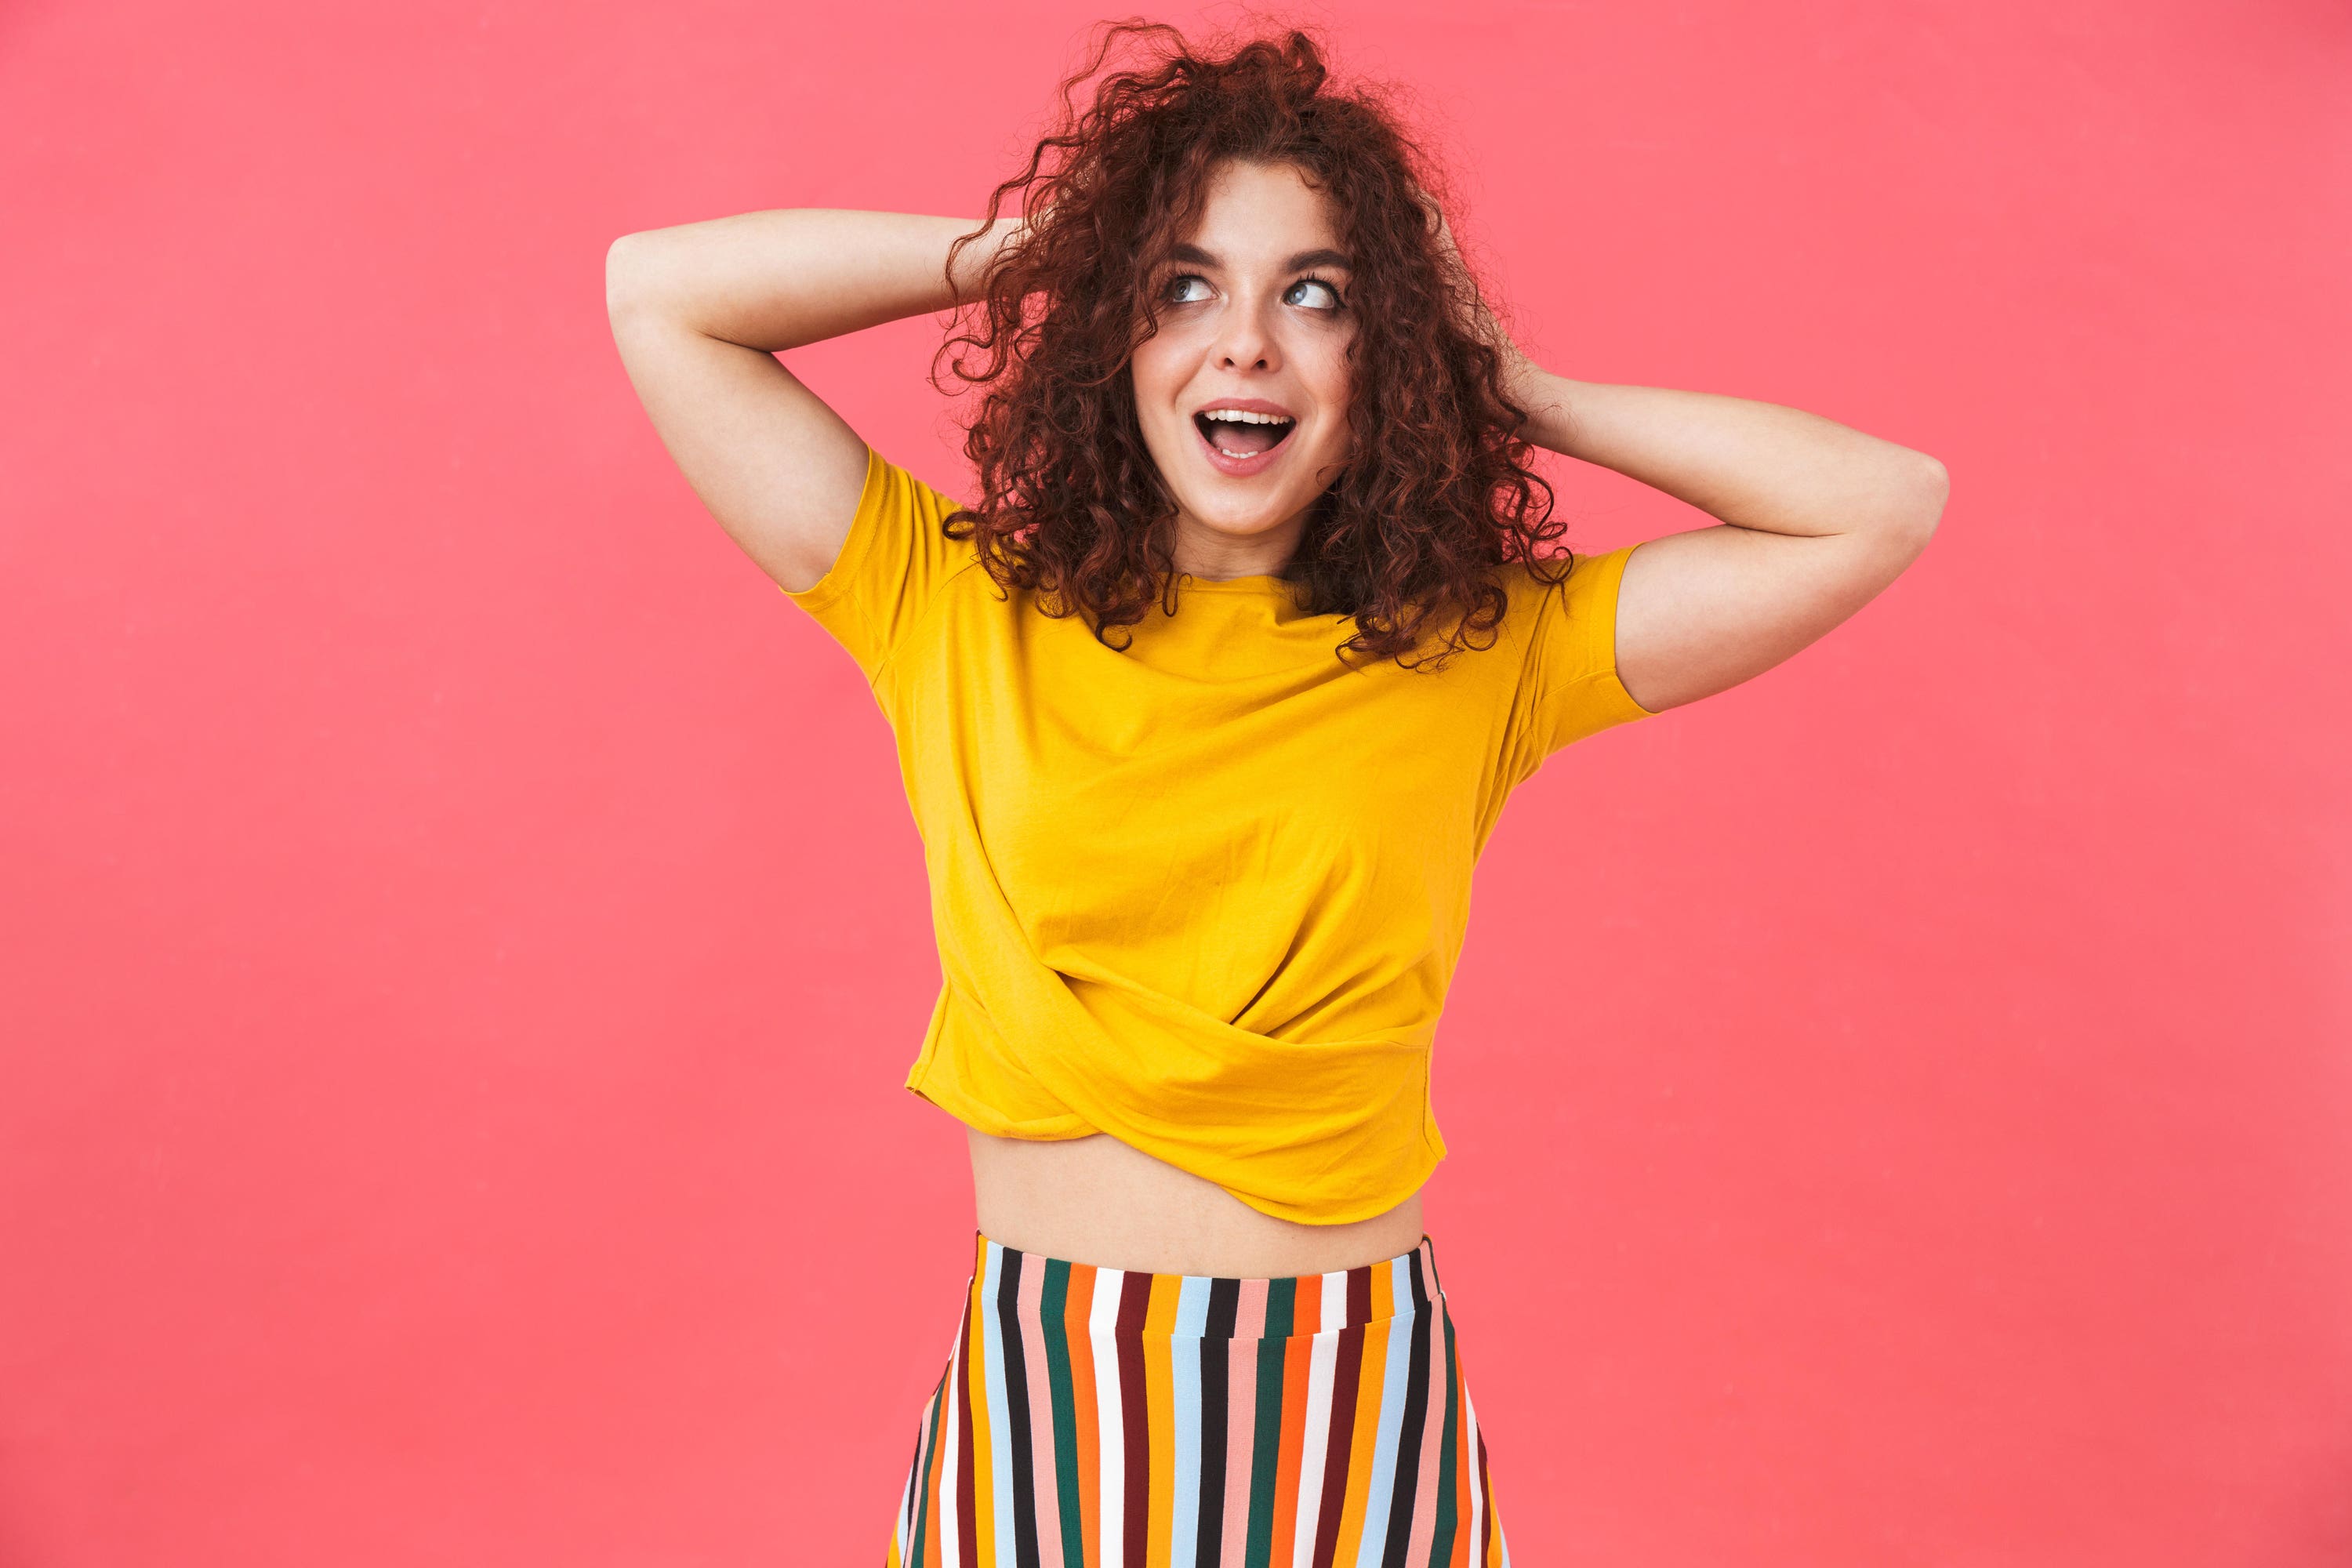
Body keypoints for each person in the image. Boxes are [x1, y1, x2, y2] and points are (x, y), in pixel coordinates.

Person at [605, 20, 1945, 1566]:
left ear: (1384, 352)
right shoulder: (951, 605)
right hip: (1043, 1408)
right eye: (1187, 286)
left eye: (1315, 296)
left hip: (1351, 1419)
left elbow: (1879, 507)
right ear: (1118, 326)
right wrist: (1057, 242)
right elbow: (661, 297)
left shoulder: (1483, 650)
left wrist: (1514, 379)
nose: (1245, 343)